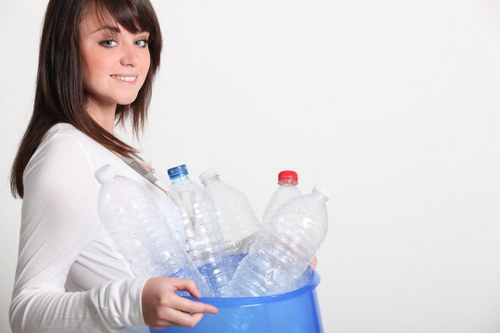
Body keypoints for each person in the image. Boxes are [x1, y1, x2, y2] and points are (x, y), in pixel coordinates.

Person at [8, 0, 217, 332]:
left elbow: (171, 270)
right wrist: (131, 303)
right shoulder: (68, 153)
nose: (132, 58)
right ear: (66, 49)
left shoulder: (109, 149)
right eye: (108, 41)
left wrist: (262, 256)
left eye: (141, 41)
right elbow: (25, 310)